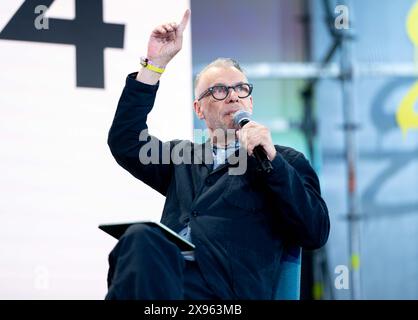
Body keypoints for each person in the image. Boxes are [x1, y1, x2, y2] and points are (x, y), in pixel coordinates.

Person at [105, 9, 330, 300]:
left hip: (227, 290)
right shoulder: (182, 158)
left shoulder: (285, 160)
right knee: (140, 238)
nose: (233, 96)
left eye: (241, 89)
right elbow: (125, 142)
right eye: (220, 90)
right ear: (199, 109)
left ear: (250, 100)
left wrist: (272, 161)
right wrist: (155, 66)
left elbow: (315, 231)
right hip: (170, 277)